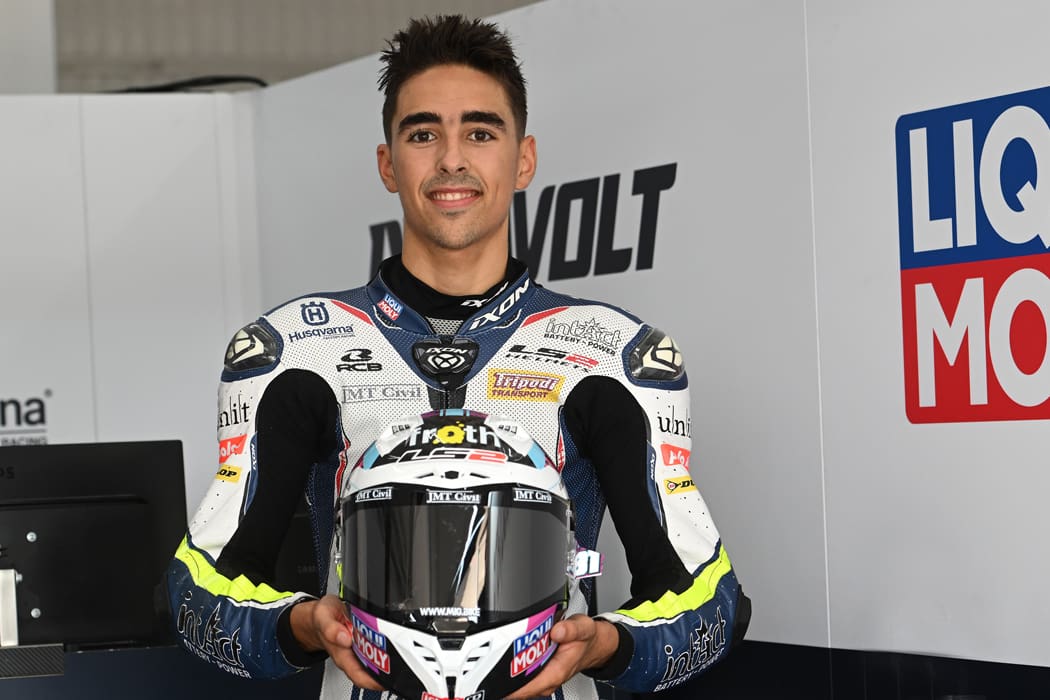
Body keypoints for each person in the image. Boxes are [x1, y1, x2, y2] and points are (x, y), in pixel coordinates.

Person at [166, 14, 750, 700]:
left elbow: (713, 601)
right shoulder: (296, 351)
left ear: (523, 159)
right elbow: (194, 589)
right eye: (423, 134)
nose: (451, 159)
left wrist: (607, 644)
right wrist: (301, 626)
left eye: (480, 132)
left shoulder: (610, 356)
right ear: (388, 163)